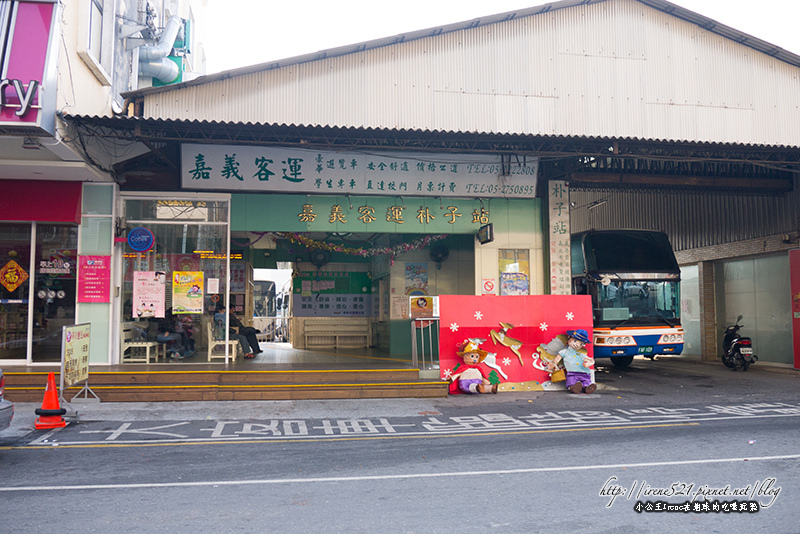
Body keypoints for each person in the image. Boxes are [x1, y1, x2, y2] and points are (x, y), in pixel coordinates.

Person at [549, 329, 596, 394]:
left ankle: (587, 387)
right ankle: (574, 388)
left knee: (586, 381)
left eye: (581, 344)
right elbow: (557, 359)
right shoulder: (564, 352)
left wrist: (590, 362)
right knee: (571, 381)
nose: (577, 345)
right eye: (575, 341)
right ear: (569, 338)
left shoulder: (581, 354)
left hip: (584, 372)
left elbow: (590, 360)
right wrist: (553, 364)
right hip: (572, 373)